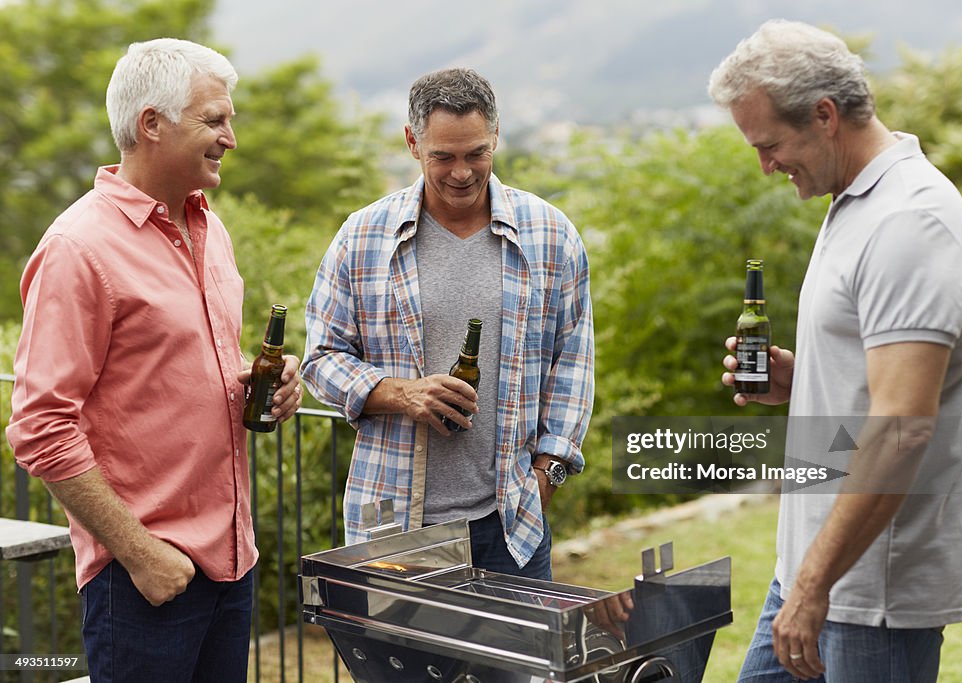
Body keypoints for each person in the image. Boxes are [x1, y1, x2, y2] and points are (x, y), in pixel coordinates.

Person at [5, 39, 302, 682]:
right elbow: (39, 426)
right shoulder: (78, 249)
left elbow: (181, 368)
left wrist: (262, 387)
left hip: (232, 562)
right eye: (214, 120)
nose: (231, 137)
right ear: (151, 124)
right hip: (144, 579)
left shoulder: (210, 229)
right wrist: (140, 554)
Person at [708, 20, 962, 682]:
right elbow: (882, 385)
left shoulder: (909, 221)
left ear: (825, 115)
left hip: (870, 596)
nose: (766, 164)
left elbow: (901, 428)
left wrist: (812, 585)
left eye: (770, 143)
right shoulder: (856, 204)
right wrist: (802, 380)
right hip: (819, 574)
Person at [301, 67, 594, 580]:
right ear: (413, 143)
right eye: (443, 157)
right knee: (401, 664)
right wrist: (400, 393)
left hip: (513, 524)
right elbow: (321, 359)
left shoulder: (551, 234)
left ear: (496, 136)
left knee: (514, 665)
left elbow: (572, 363)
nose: (462, 172)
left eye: (476, 153)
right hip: (393, 523)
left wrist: (548, 474)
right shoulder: (362, 236)